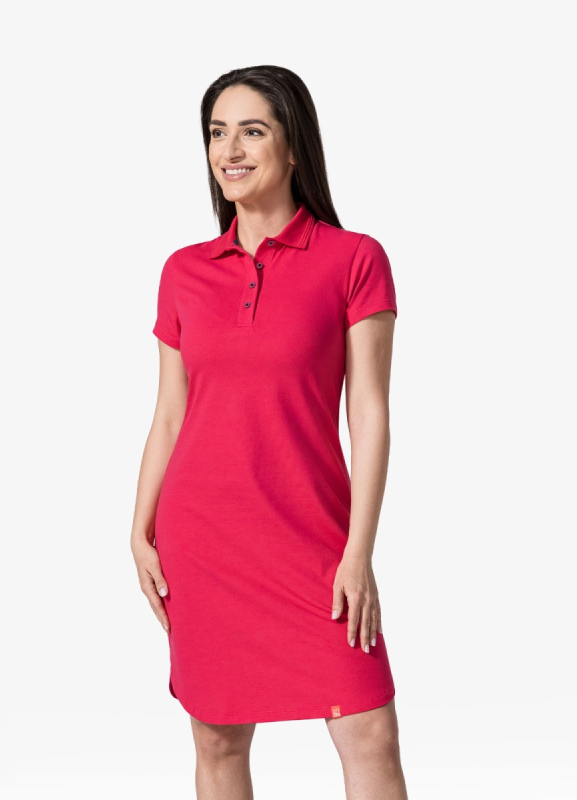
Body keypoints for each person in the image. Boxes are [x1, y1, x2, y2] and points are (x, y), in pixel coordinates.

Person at [131, 65, 409, 799]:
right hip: (203, 539)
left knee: (369, 731)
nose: (230, 150)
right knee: (218, 738)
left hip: (314, 537)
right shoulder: (184, 271)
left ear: (293, 148)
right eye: (217, 133)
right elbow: (169, 413)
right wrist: (138, 528)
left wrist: (358, 551)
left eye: (251, 131)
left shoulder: (354, 259)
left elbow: (369, 413)